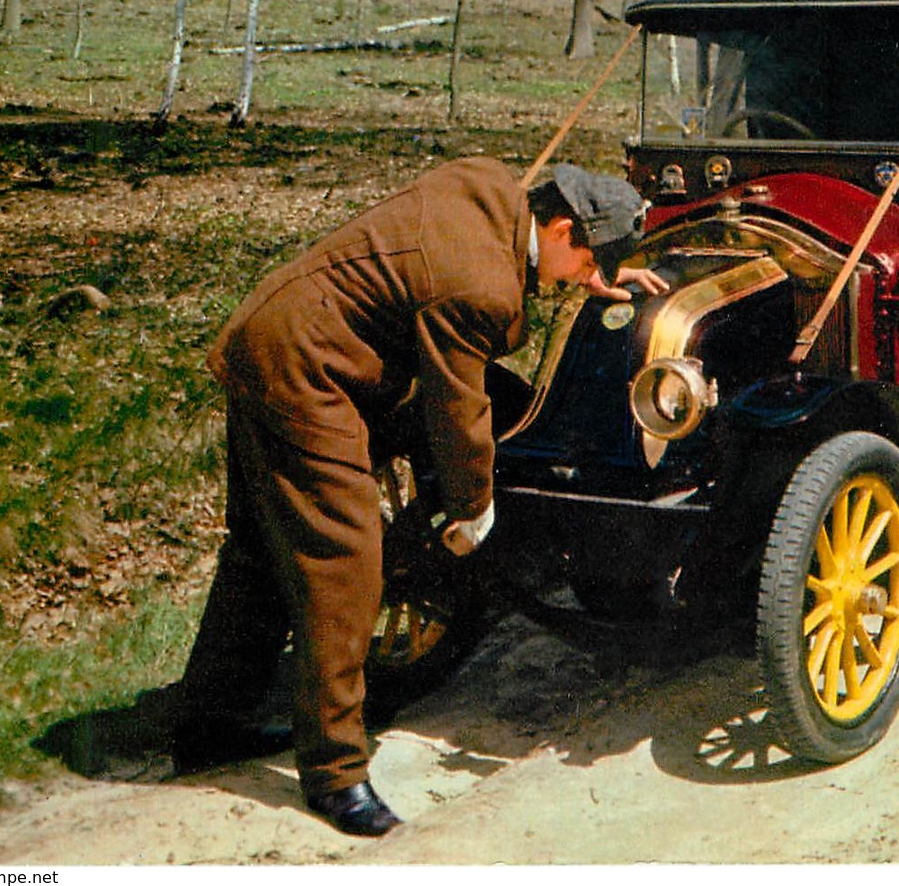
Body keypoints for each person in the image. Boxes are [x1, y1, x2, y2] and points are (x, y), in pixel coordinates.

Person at [170, 157, 668, 837]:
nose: (587, 275)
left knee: (260, 544)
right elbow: (456, 408)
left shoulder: (490, 187)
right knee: (344, 565)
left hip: (273, 331)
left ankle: (208, 723)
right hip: (306, 373)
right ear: (557, 229)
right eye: (587, 258)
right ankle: (336, 773)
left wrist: (592, 275)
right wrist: (473, 512)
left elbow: (495, 276)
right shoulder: (479, 287)